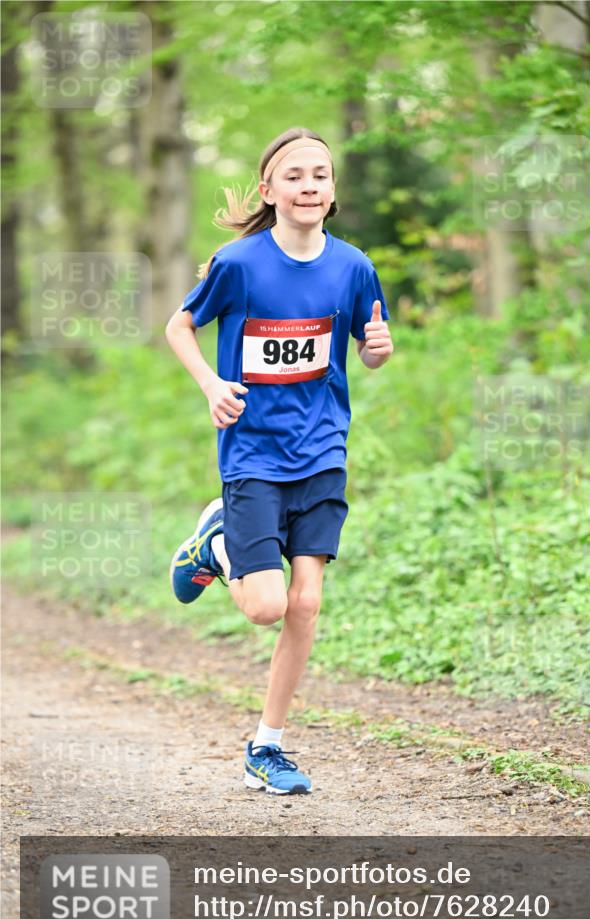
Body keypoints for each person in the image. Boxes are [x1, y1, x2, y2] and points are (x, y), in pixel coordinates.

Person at [165, 126, 393, 796]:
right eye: (294, 175)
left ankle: (267, 747)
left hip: (321, 449)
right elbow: (180, 325)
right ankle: (215, 544)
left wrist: (377, 349)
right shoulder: (238, 263)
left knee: (306, 603)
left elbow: (368, 346)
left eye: (319, 175)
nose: (309, 186)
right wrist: (211, 385)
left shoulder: (353, 265)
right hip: (254, 454)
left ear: (332, 190)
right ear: (269, 190)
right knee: (265, 607)